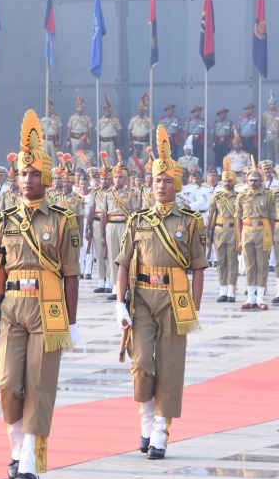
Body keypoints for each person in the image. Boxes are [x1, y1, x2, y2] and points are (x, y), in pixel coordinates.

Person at [0, 109, 80, 479]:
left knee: (39, 385)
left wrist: (73, 321)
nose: (27, 180)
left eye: (34, 173)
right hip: (10, 306)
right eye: (22, 173)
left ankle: (30, 463)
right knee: (6, 383)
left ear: (47, 178)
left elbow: (71, 274)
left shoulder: (63, 218)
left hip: (48, 308)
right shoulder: (3, 220)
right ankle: (17, 448)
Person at [114, 124, 206, 461]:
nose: (162, 185)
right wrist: (119, 302)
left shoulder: (192, 221)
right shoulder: (137, 220)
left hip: (175, 299)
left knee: (170, 366)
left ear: (176, 184)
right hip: (142, 298)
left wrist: (193, 308)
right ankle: (146, 419)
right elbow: (123, 263)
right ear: (150, 184)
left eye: (168, 180)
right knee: (141, 364)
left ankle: (161, 433)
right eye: (157, 180)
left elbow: (198, 268)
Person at [236, 159, 276, 310]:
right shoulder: (242, 196)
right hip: (247, 232)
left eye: (256, 180)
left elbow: (272, 218)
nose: (253, 183)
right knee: (249, 266)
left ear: (261, 181)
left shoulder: (268, 195)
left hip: (262, 232)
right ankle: (250, 297)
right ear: (246, 180)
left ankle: (260, 298)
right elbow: (238, 219)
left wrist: (270, 236)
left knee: (262, 266)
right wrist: (239, 238)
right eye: (251, 180)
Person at [100, 151, 139, 301]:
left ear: (125, 179)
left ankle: (127, 286)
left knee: (125, 256)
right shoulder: (108, 194)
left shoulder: (130, 194)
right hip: (111, 225)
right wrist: (103, 234)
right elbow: (103, 214)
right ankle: (116, 288)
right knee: (112, 256)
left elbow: (135, 212)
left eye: (121, 177)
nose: (118, 179)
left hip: (125, 225)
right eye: (116, 177)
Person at [207, 157, 238, 303]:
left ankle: (231, 291)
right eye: (225, 181)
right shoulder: (217, 197)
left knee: (232, 261)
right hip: (219, 231)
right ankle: (222, 290)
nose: (227, 183)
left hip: (233, 231)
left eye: (229, 181)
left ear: (234, 182)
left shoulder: (239, 197)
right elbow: (211, 216)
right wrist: (207, 235)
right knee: (221, 261)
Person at [86, 153, 112, 293]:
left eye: (105, 178)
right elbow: (91, 209)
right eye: (101, 178)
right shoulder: (95, 193)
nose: (103, 181)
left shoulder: (113, 192)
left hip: (111, 222)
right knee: (100, 253)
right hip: (96, 223)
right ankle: (101, 281)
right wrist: (88, 227)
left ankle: (110, 281)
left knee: (111, 253)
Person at [185, 105, 206, 170]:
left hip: (200, 140)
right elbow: (186, 132)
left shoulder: (203, 120)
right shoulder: (189, 121)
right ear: (193, 113)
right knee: (191, 156)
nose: (198, 113)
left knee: (200, 157)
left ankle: (201, 171)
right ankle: (191, 170)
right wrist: (186, 144)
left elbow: (205, 132)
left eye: (199, 111)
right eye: (196, 112)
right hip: (191, 141)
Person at [263, 93, 279, 162]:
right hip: (268, 135)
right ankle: (269, 168)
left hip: (277, 136)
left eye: (274, 104)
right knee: (268, 153)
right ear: (269, 105)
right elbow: (263, 127)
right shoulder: (265, 114)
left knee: (277, 152)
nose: (272, 106)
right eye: (271, 104)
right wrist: (263, 138)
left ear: (276, 105)